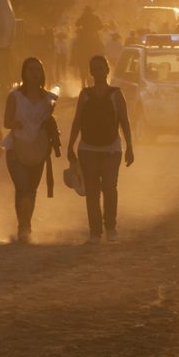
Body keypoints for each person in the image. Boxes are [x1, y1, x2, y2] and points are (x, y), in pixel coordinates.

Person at [66, 54, 134, 242]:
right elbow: (77, 121)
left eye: (101, 68)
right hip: (88, 149)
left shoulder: (116, 94)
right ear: (91, 72)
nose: (98, 71)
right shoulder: (85, 95)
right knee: (93, 191)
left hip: (112, 148)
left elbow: (124, 121)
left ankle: (110, 227)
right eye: (94, 68)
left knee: (110, 188)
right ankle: (95, 231)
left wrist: (130, 146)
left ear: (107, 70)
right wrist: (70, 145)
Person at [2, 57, 61, 243]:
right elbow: (6, 121)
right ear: (24, 73)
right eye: (31, 70)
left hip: (38, 149)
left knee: (32, 190)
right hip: (16, 147)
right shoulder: (14, 96)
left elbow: (48, 120)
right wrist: (16, 124)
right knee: (23, 188)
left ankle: (26, 226)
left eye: (38, 70)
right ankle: (23, 228)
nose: (34, 74)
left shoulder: (48, 99)